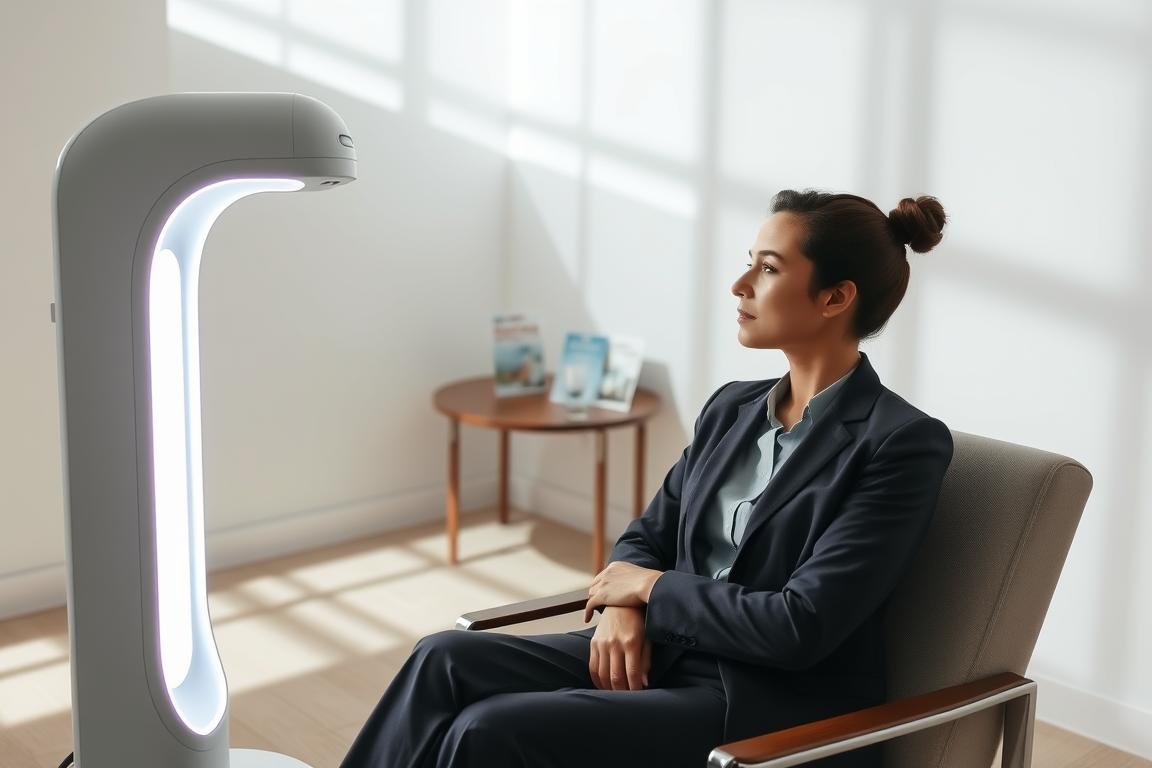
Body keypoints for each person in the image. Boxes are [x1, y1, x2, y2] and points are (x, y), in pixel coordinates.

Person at [340, 189, 954, 768]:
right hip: (662, 646)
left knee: (489, 728)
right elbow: (648, 536)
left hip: (760, 700)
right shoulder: (732, 409)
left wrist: (651, 591)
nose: (739, 285)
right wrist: (621, 609)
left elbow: (799, 626)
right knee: (440, 658)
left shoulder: (899, 444)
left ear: (834, 297)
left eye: (768, 269)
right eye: (749, 264)